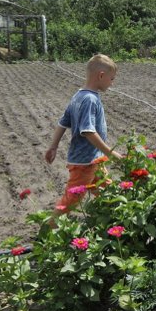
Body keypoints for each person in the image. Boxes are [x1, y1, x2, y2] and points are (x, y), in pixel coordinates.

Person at [44, 54, 123, 215]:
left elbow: (62, 123)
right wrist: (110, 152)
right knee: (71, 200)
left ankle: (114, 220)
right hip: (85, 162)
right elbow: (88, 131)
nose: (112, 83)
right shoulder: (89, 99)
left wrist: (53, 146)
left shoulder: (78, 96)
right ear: (101, 76)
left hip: (94, 160)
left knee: (108, 192)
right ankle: (49, 230)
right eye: (111, 79)